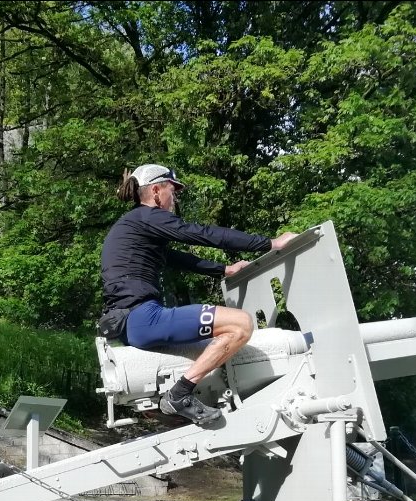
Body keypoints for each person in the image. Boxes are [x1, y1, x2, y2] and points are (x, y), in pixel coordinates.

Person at [99, 163, 297, 425]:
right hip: (143, 318)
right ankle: (179, 395)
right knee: (241, 324)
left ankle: (177, 397)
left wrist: (224, 269)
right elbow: (204, 234)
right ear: (156, 190)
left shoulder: (134, 226)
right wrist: (271, 243)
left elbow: (176, 258)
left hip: (127, 322)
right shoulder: (148, 217)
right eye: (173, 189)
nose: (175, 196)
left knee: (232, 325)